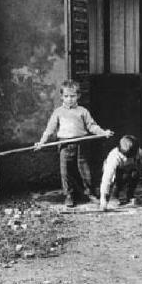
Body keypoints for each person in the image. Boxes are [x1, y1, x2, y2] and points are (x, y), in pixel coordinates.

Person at [35, 80, 114, 208]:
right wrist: (41, 142)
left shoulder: (82, 111)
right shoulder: (58, 112)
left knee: (84, 170)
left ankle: (89, 193)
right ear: (61, 97)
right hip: (64, 145)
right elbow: (49, 129)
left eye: (72, 96)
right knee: (65, 172)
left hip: (81, 144)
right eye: (66, 96)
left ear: (78, 96)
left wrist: (103, 132)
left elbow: (92, 126)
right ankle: (69, 195)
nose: (69, 99)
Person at [99, 135, 142, 211]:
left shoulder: (138, 151)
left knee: (135, 174)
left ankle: (130, 195)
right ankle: (114, 196)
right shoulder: (114, 156)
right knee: (119, 176)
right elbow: (107, 177)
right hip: (115, 174)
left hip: (129, 170)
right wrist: (103, 198)